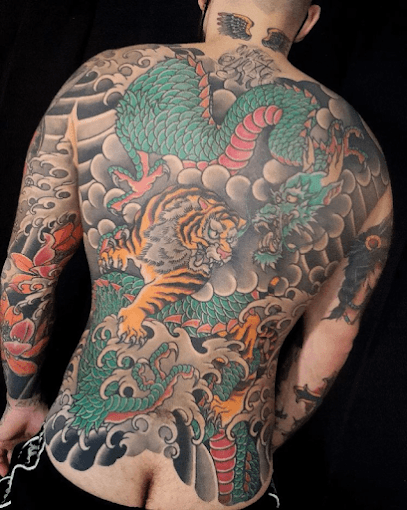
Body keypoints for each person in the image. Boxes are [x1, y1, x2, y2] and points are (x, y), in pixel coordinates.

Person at [0, 0, 393, 508]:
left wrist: (21, 400)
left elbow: (28, 270)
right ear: (309, 20)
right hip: (226, 481)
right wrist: (259, 443)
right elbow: (333, 336)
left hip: (81, 455)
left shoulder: (99, 81)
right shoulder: (364, 158)